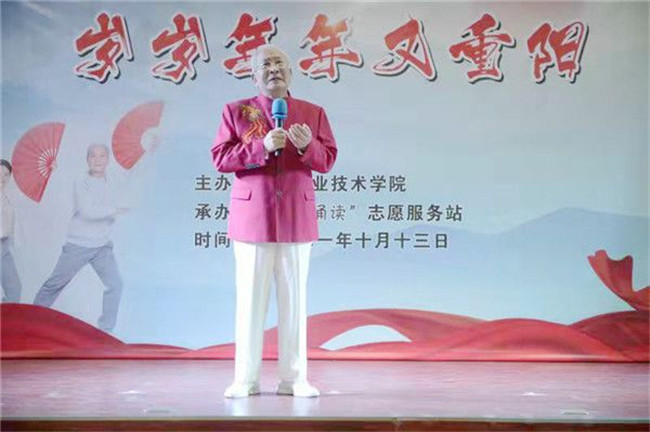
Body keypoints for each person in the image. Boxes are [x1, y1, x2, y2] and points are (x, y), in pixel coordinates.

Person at [211, 45, 337, 398]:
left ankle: (294, 380)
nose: (273, 69)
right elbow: (220, 159)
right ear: (254, 76)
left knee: (294, 303)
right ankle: (245, 379)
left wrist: (308, 146)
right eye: (265, 64)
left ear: (291, 72)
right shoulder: (236, 111)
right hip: (253, 220)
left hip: (296, 217)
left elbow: (327, 160)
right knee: (250, 301)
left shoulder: (312, 113)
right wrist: (261, 147)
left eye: (279, 63)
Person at [33, 144, 129, 332]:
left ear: (108, 160)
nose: (97, 160)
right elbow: (88, 211)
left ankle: (106, 330)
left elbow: (130, 178)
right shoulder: (81, 182)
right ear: (87, 160)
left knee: (116, 285)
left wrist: (149, 149)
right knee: (54, 284)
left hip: (102, 247)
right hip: (78, 245)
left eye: (102, 156)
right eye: (93, 156)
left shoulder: (113, 180)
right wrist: (116, 210)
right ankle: (32, 320)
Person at [1, 159, 22, 303]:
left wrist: (51, 170)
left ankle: (5, 315)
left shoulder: (8, 196)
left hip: (4, 246)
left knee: (15, 289)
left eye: (6, 175)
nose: (2, 178)